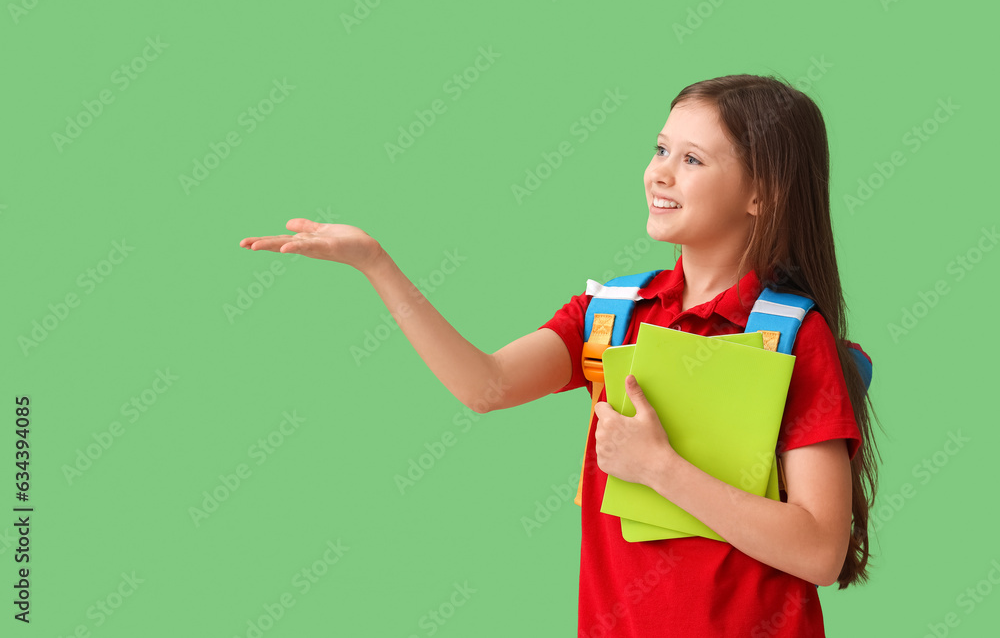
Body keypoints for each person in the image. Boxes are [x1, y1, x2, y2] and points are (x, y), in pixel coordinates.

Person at [239, 73, 881, 636]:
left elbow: (821, 550)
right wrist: (375, 264)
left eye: (692, 159)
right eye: (660, 149)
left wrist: (661, 469)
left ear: (760, 193)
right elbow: (484, 385)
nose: (659, 171)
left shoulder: (795, 337)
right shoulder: (613, 314)